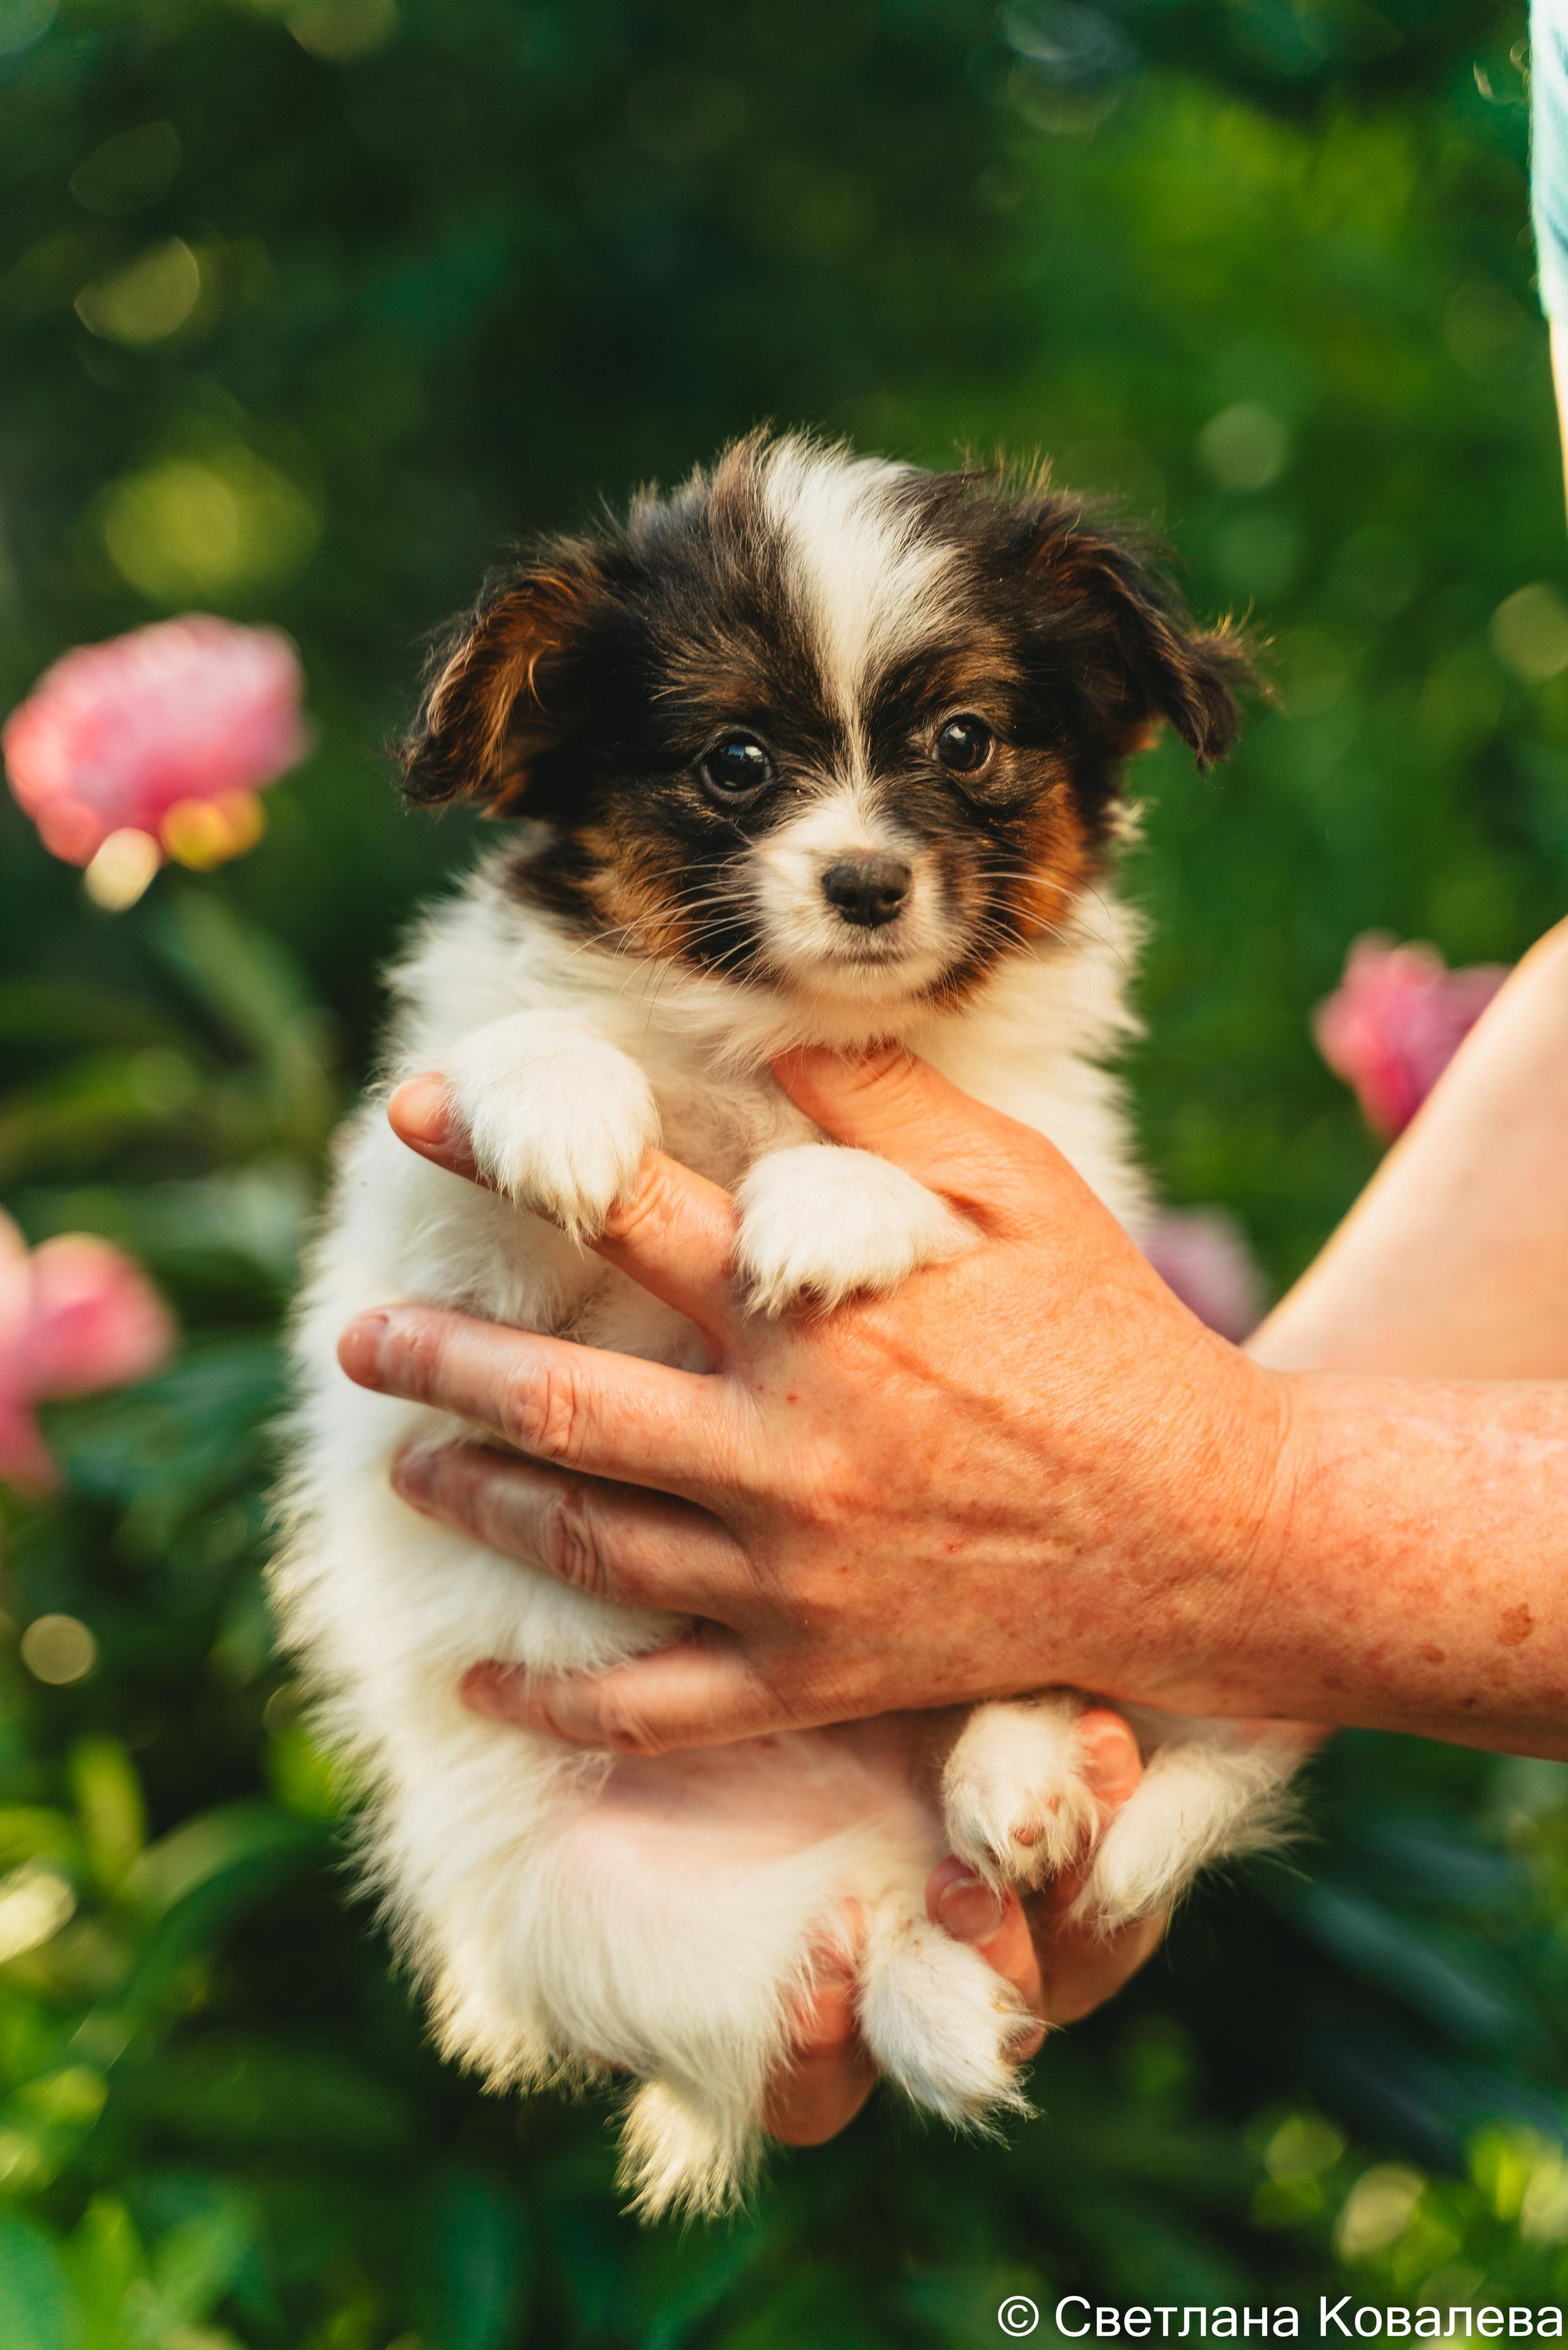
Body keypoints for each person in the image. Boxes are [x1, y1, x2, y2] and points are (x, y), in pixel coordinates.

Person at [334, 10, 1568, 2145]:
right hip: (603, 1790)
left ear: (1103, 751)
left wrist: (1225, 1549)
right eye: (736, 766)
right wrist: (1207, 1594)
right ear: (565, 781)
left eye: (965, 746)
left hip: (872, 1757)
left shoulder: (1000, 1069)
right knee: (612, 1923)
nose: (867, 843)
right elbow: (427, 1318)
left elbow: (1074, 1447)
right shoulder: (525, 1030)